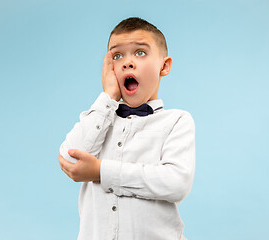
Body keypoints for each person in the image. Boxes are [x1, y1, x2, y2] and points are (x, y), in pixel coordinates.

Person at [59, 17, 195, 240]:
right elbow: (70, 160)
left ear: (164, 65)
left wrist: (101, 172)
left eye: (140, 53)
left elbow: (176, 182)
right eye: (117, 55)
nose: (127, 62)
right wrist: (107, 98)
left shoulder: (177, 121)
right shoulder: (98, 120)